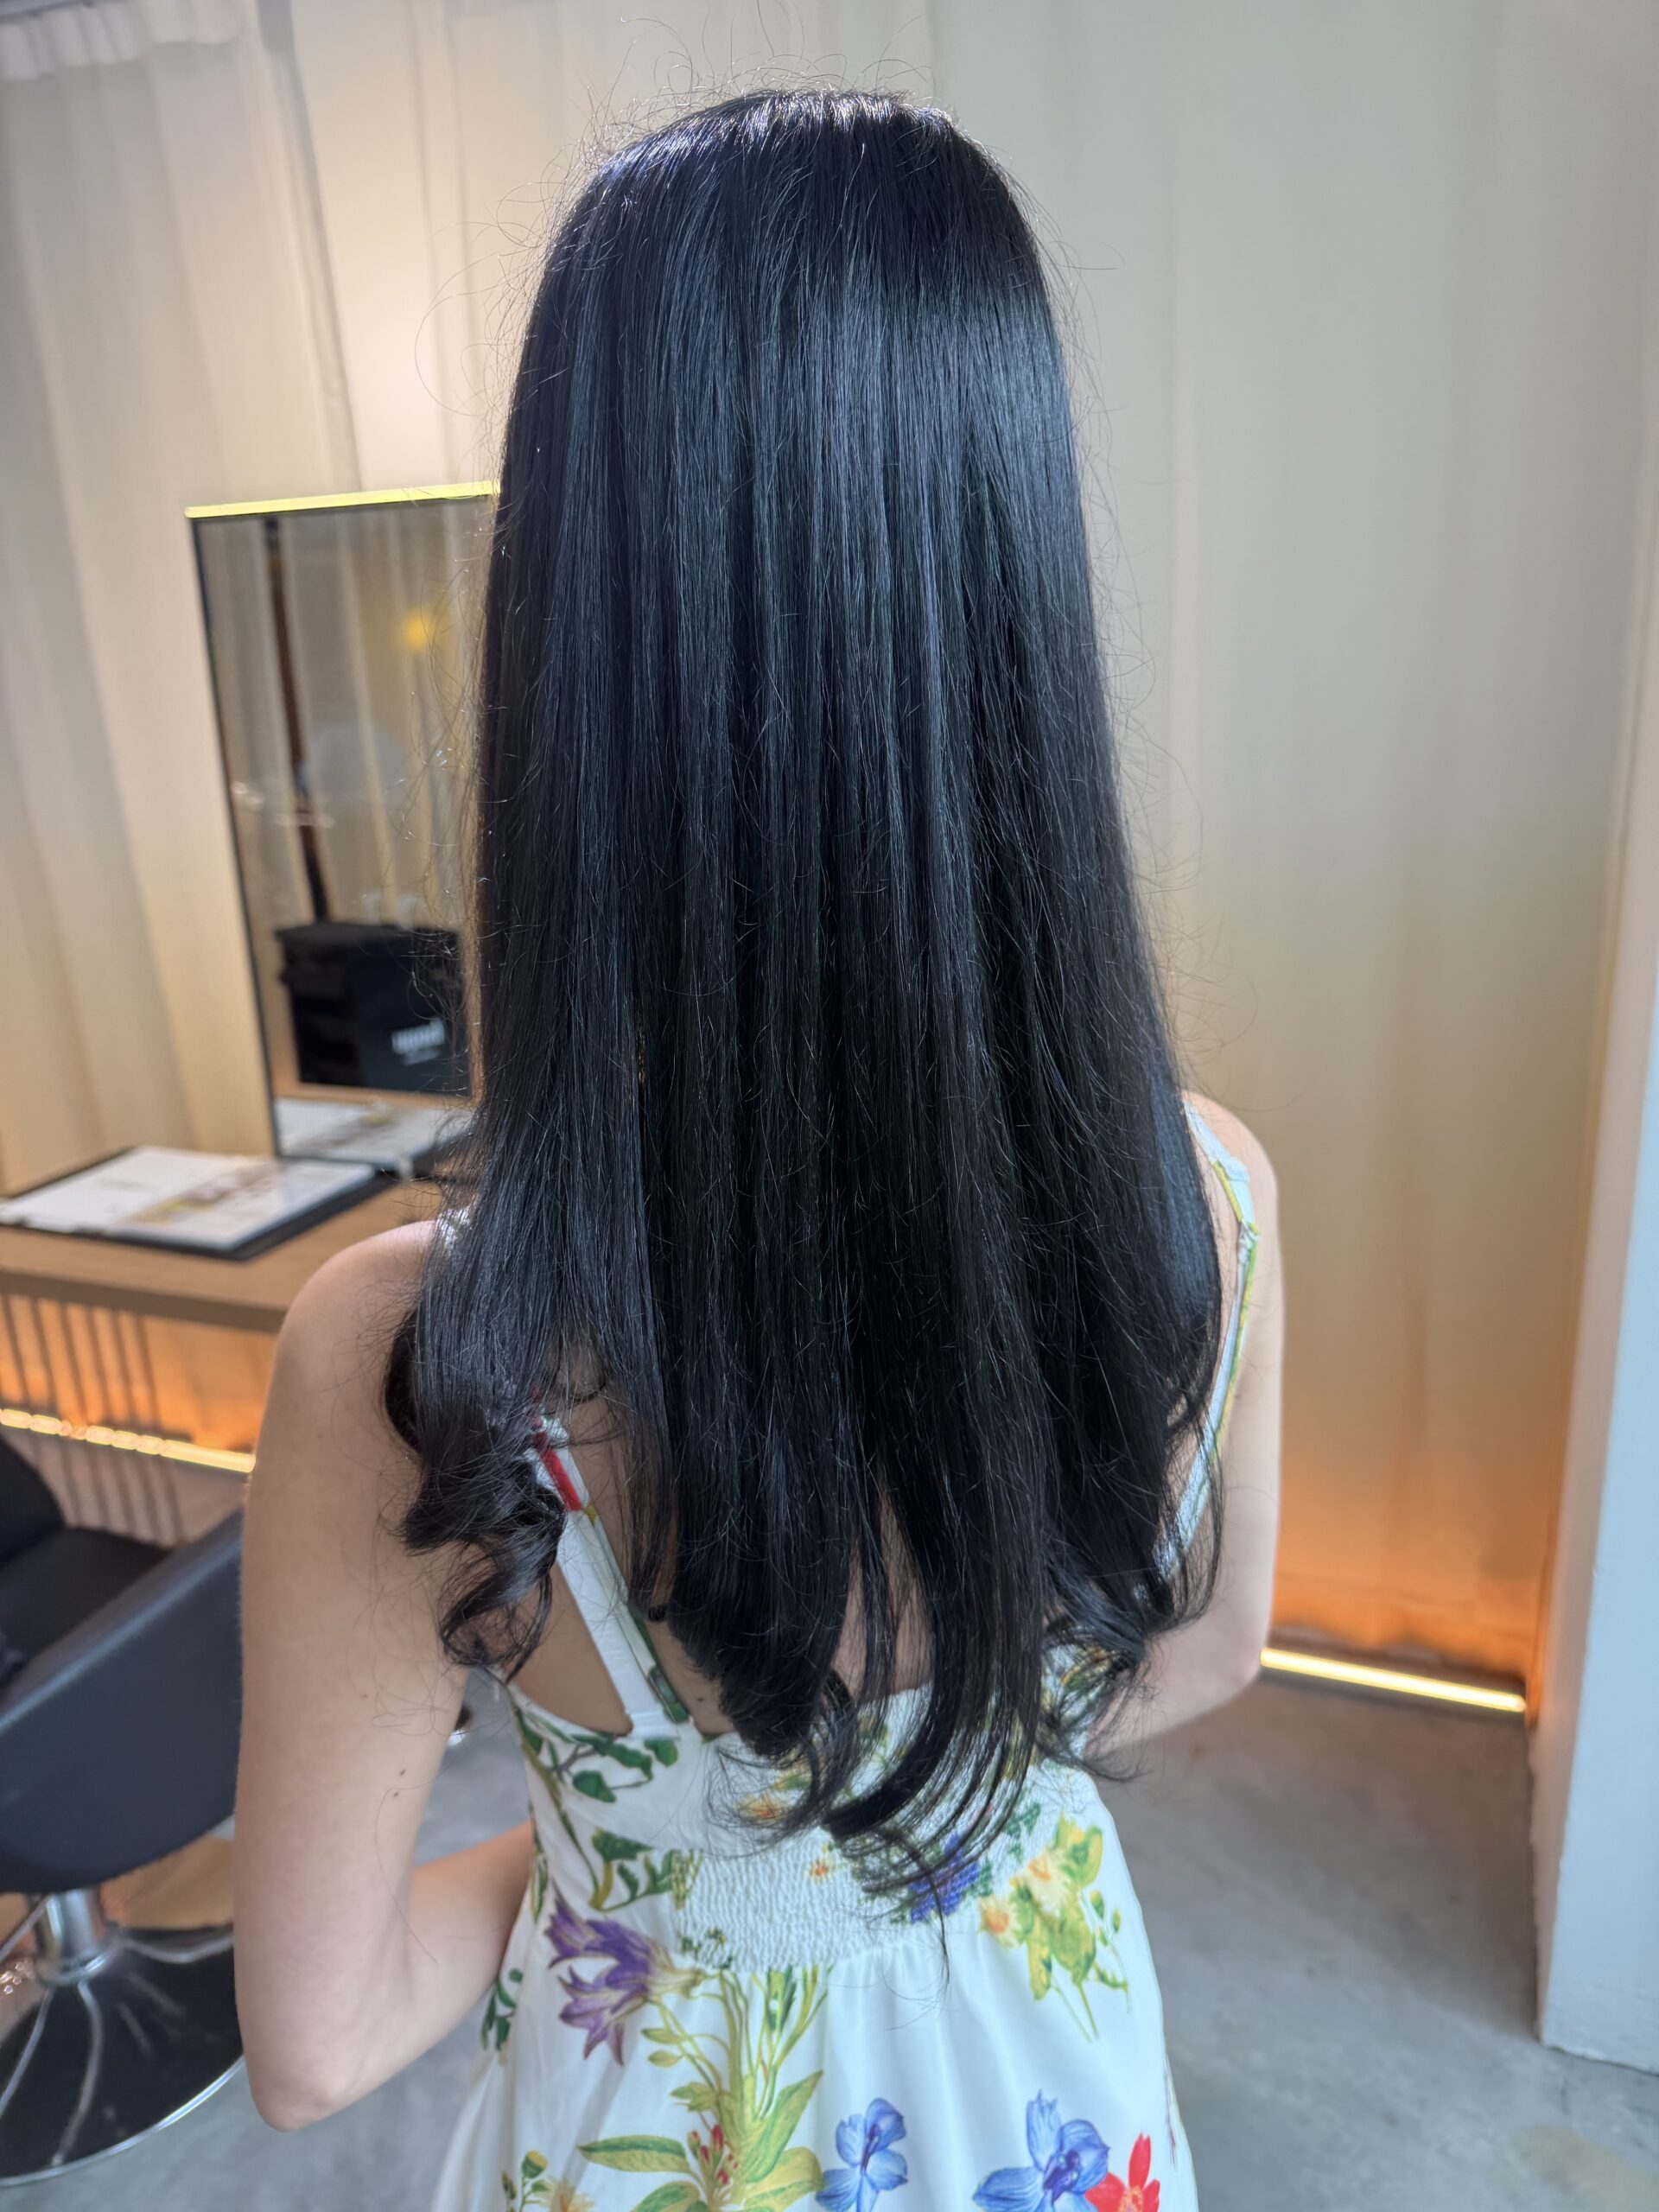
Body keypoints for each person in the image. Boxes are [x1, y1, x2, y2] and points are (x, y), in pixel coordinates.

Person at [233, 89, 1283, 2212]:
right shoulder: (1208, 1200)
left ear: (571, 650)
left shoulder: (418, 1359)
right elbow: (1214, 1643)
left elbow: (315, 2036)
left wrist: (646, 1851)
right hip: (1060, 2092)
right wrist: (920, 1800)